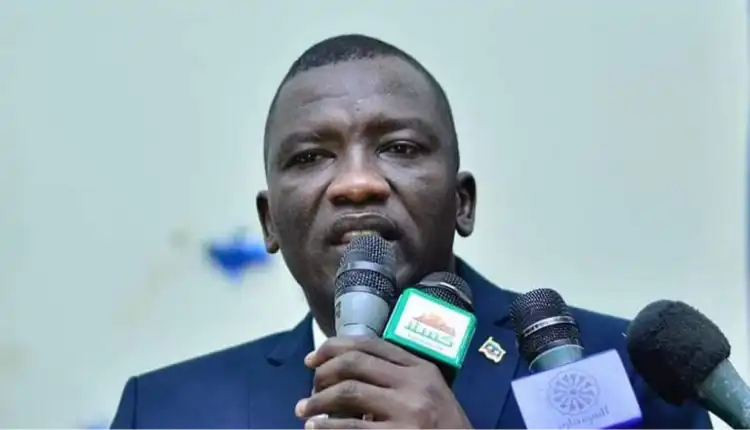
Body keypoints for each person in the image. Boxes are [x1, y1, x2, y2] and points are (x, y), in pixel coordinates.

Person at [110, 34, 712, 429]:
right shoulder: (164, 411)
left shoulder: (621, 371)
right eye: (311, 157)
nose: (357, 184)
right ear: (270, 223)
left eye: (398, 148)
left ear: (462, 203)